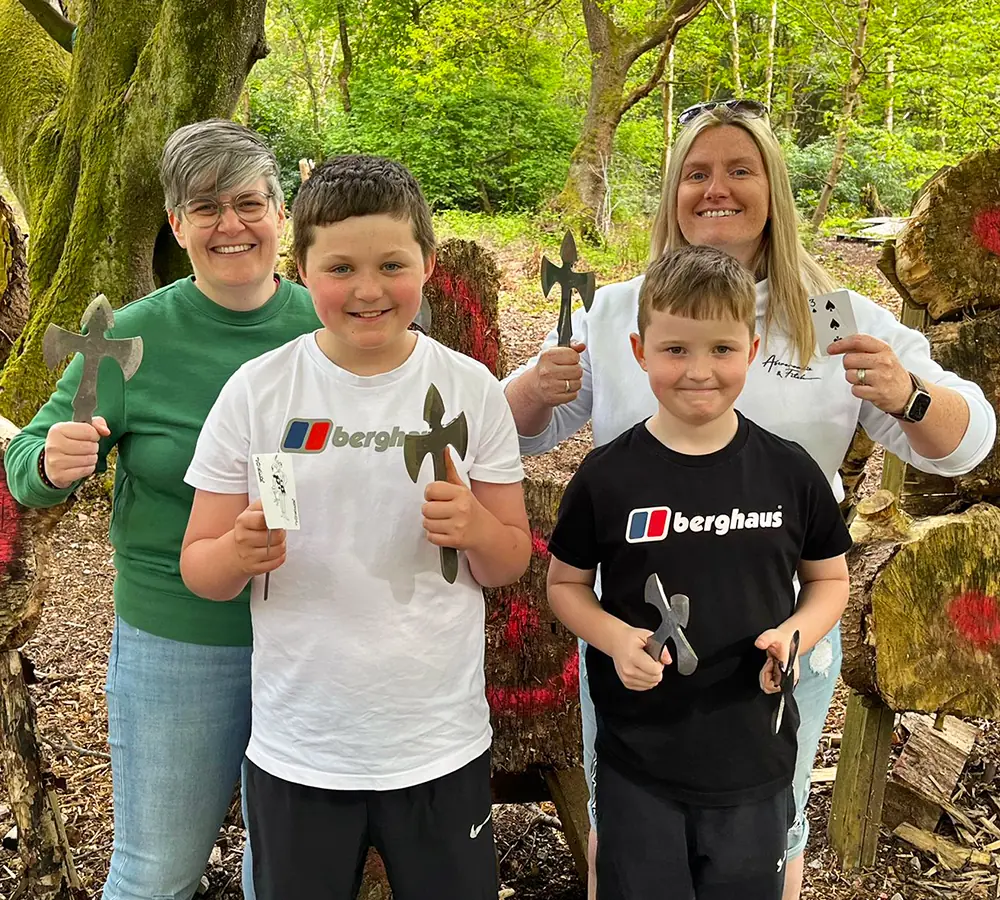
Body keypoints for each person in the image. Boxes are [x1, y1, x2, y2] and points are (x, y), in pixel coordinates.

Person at [503, 98, 997, 900]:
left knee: (774, 833)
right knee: (624, 832)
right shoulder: (623, 309)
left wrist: (908, 396)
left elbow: (969, 439)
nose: (716, 189)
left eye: (740, 169)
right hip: (642, 651)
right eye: (696, 172)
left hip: (778, 644)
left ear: (775, 188)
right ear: (672, 190)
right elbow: (519, 431)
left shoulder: (828, 315)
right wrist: (532, 386)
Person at [179, 154, 531, 900]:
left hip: (438, 742)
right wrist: (238, 551)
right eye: (339, 267)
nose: (368, 290)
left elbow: (510, 560)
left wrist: (474, 526)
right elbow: (200, 570)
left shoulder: (468, 390)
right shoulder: (260, 393)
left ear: (429, 265)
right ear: (301, 270)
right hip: (301, 745)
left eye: (391, 264)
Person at [4, 119, 321, 900]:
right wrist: (50, 462)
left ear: (282, 214)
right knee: (156, 872)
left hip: (319, 636)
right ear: (176, 226)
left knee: (286, 875)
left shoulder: (331, 327)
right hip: (179, 638)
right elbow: (24, 462)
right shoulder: (130, 338)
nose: (231, 225)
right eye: (204, 207)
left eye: (249, 202)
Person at [547, 244, 852, 898]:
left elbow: (830, 580)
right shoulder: (609, 477)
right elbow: (564, 586)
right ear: (638, 351)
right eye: (675, 349)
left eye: (720, 349)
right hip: (639, 764)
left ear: (749, 347)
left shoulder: (791, 471)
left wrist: (796, 633)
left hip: (756, 762)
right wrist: (613, 637)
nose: (698, 371)